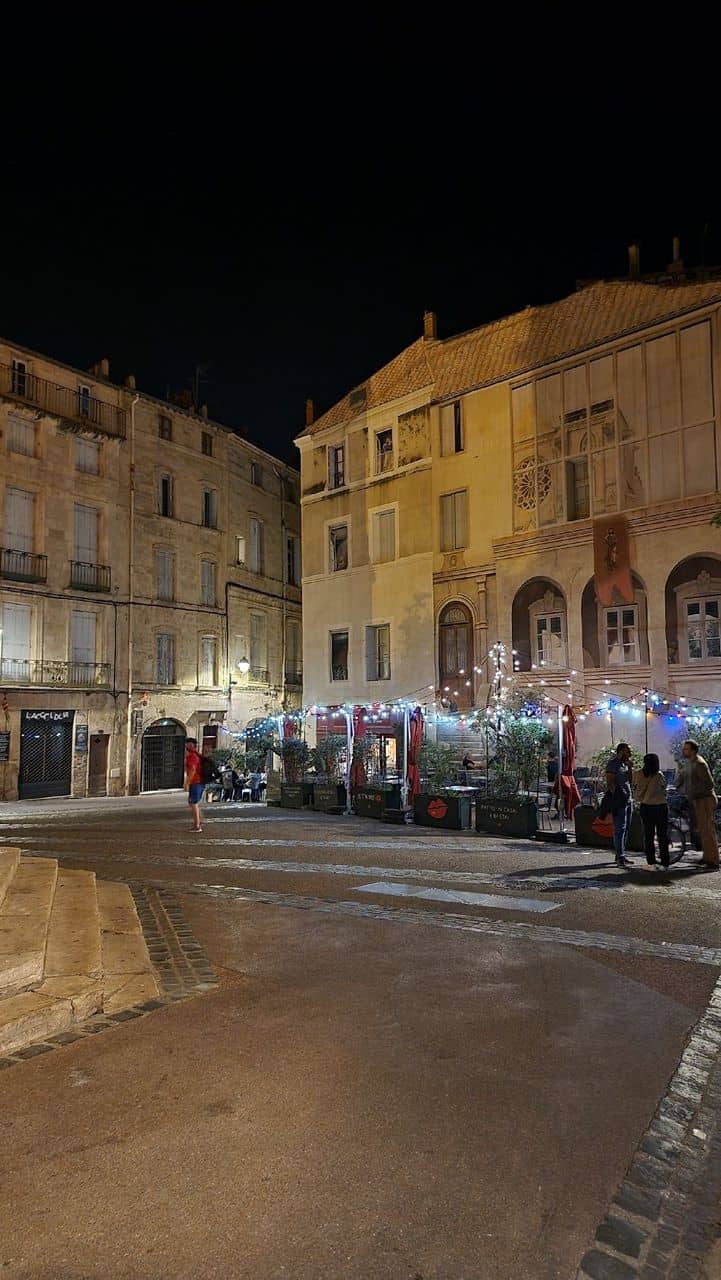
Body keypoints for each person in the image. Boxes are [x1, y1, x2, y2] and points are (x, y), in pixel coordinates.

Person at [679, 740, 720, 870]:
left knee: (707, 830)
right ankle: (708, 857)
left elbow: (709, 784)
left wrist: (695, 793)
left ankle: (713, 860)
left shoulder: (699, 764)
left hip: (705, 800)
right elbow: (683, 778)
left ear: (693, 750)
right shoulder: (689, 763)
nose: (684, 751)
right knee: (702, 830)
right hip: (698, 800)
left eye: (686, 749)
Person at [633, 752, 671, 870]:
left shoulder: (638, 774)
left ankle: (651, 861)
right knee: (662, 836)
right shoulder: (659, 775)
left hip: (646, 807)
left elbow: (636, 791)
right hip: (660, 807)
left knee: (648, 835)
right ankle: (665, 862)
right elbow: (664, 789)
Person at [597, 768, 633, 867]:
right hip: (620, 801)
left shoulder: (625, 765)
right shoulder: (613, 764)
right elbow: (610, 782)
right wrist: (617, 798)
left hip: (628, 800)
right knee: (619, 829)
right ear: (621, 751)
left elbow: (631, 781)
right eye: (627, 751)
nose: (629, 753)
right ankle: (620, 857)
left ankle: (621, 855)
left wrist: (630, 768)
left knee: (625, 829)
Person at [184, 738, 205, 833]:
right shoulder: (197, 755)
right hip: (199, 781)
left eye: (187, 744)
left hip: (196, 782)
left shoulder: (192, 756)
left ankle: (197, 826)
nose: (186, 746)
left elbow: (192, 769)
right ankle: (200, 820)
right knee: (193, 802)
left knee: (193, 803)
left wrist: (187, 782)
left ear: (191, 745)